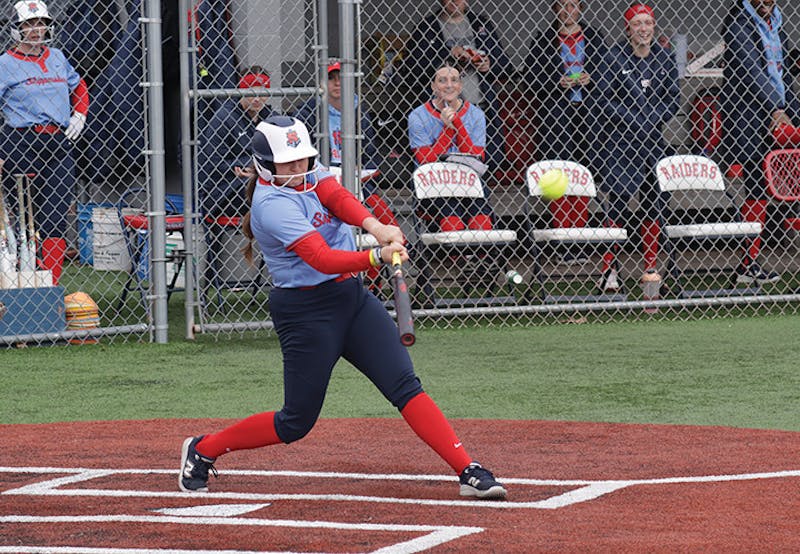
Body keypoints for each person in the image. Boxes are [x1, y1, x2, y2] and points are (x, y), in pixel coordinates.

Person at [179, 115, 507, 500]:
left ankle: (467, 469)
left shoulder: (310, 171)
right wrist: (377, 256)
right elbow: (321, 257)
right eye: (288, 163)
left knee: (404, 385)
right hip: (306, 312)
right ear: (265, 166)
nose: (298, 168)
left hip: (350, 299)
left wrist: (376, 226)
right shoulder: (271, 204)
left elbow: (336, 196)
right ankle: (203, 449)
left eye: (302, 159)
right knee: (295, 422)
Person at [0, 0, 88, 285]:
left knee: (56, 215)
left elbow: (79, 86)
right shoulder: (5, 64)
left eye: (41, 23)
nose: (37, 30)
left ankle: (49, 288)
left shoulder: (57, 57)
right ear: (17, 28)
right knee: (24, 219)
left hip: (58, 144)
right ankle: (21, 286)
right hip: (22, 142)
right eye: (30, 24)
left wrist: (80, 115)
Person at [293, 60, 402, 291]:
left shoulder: (360, 112)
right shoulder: (308, 112)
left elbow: (371, 155)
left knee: (381, 212)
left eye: (342, 78)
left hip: (358, 181)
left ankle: (373, 284)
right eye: (331, 78)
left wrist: (359, 169)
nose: (337, 83)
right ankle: (345, 280)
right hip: (322, 185)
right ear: (322, 81)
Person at [594, 3, 679, 292]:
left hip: (653, 140)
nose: (643, 29)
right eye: (637, 24)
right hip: (621, 141)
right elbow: (602, 100)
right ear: (627, 28)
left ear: (654, 26)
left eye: (647, 23)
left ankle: (650, 269)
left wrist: (653, 117)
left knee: (653, 202)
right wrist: (632, 118)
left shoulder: (665, 58)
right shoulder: (613, 57)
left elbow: (673, 99)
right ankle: (609, 270)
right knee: (617, 202)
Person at [720, 0, 799, 285]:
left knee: (765, 189)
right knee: (755, 183)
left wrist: (791, 110)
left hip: (777, 110)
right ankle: (748, 263)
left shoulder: (776, 20)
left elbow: (784, 71)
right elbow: (751, 71)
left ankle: (748, 263)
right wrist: (777, 109)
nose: (768, 3)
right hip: (748, 117)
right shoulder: (738, 21)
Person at [526, 0, 607, 264]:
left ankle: (580, 238)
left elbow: (610, 72)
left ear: (580, 8)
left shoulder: (594, 37)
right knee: (559, 174)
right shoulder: (543, 39)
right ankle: (563, 240)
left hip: (588, 113)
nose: (567, 11)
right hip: (556, 114)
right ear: (554, 9)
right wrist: (555, 80)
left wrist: (591, 77)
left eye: (572, 5)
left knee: (583, 173)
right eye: (561, 5)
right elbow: (529, 77)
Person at [403, 0, 511, 170]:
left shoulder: (480, 24)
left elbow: (506, 65)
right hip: (440, 110)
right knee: (439, 161)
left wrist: (489, 64)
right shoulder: (427, 27)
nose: (455, 1)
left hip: (479, 103)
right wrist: (448, 56)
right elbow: (411, 71)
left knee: (485, 160)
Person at [408, 64, 495, 231]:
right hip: (433, 182)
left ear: (460, 86)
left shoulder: (476, 115)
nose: (449, 85)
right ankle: (455, 256)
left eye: (454, 80)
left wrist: (456, 123)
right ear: (433, 86)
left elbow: (476, 157)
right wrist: (448, 129)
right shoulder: (418, 115)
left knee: (480, 210)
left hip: (467, 179)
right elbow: (426, 161)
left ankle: (481, 254)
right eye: (442, 80)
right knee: (450, 207)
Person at [197, 67, 274, 217]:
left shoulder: (270, 117)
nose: (257, 98)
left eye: (262, 93)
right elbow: (213, 163)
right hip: (223, 192)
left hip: (262, 180)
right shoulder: (225, 118)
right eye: (251, 93)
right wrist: (245, 167)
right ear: (241, 91)